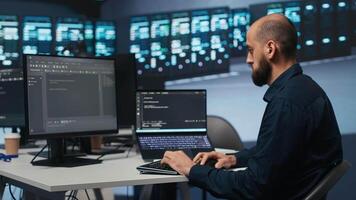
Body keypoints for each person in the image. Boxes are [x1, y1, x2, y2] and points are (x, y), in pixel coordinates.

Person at [161, 14, 343, 199]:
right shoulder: (306, 89)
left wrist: (191, 169)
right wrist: (234, 159)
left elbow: (253, 186)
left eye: (250, 50)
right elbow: (278, 151)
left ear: (270, 49)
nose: (248, 59)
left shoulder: (286, 104)